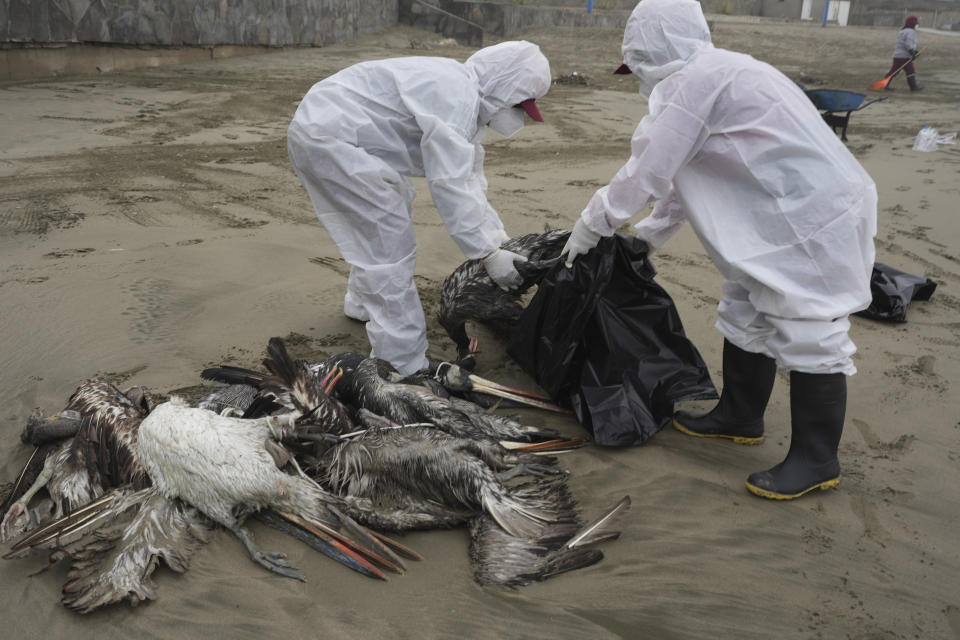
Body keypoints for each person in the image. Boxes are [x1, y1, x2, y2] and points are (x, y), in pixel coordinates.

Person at [561, 0, 877, 500]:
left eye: (638, 62)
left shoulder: (696, 84)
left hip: (811, 216)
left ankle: (817, 459)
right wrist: (649, 237)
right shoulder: (714, 74)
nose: (638, 74)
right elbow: (686, 176)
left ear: (653, 50)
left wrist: (589, 226)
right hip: (777, 210)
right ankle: (741, 415)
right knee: (745, 305)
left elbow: (647, 172)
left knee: (809, 326)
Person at [287, 41, 551, 375]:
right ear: (504, 87)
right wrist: (487, 253)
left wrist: (500, 242)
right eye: (518, 106)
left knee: (390, 206)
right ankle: (401, 360)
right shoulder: (456, 97)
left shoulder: (464, 96)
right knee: (388, 243)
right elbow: (451, 186)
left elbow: (471, 179)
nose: (518, 118)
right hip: (331, 138)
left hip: (332, 129)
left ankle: (361, 303)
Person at [885, 16, 922, 91]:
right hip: (904, 56)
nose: (916, 25)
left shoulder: (902, 31)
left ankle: (885, 85)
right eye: (915, 24)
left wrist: (914, 52)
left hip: (897, 55)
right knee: (910, 70)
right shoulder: (910, 32)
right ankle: (913, 87)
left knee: (894, 71)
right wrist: (912, 52)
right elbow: (908, 43)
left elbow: (902, 43)